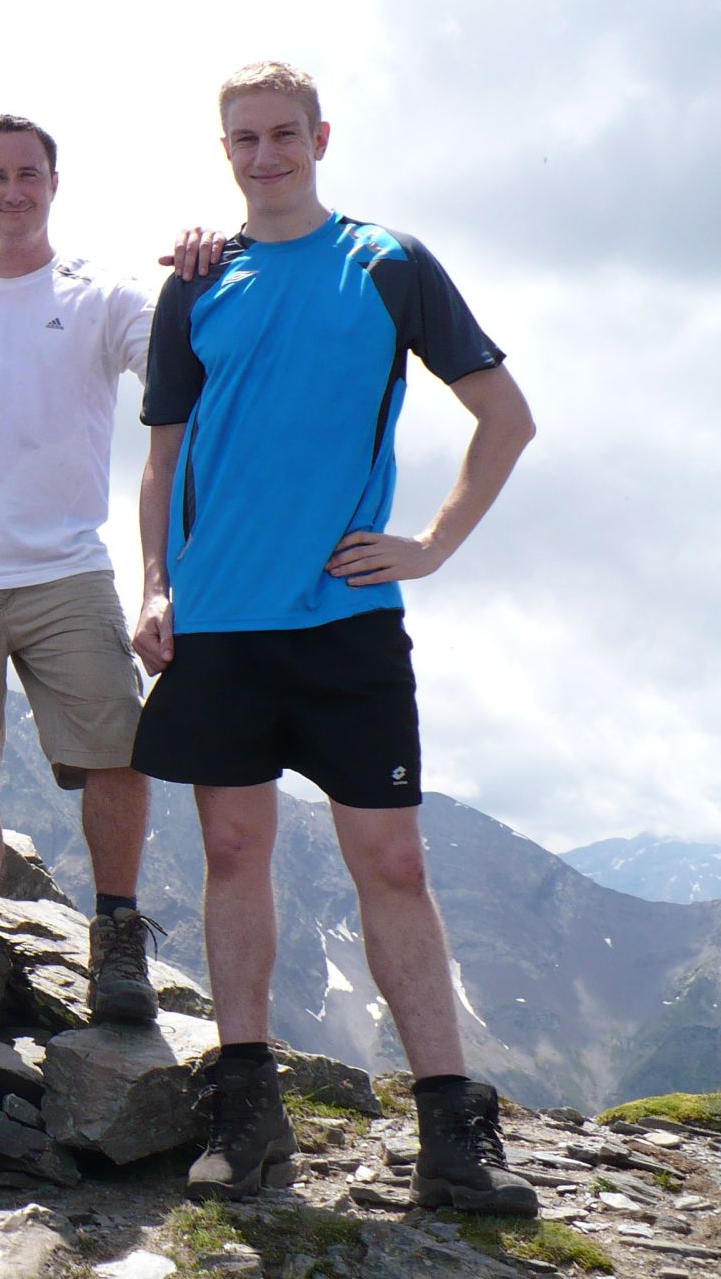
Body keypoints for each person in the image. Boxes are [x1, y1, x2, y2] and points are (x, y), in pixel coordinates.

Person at [132, 62, 538, 1213]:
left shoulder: (391, 265)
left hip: (348, 620)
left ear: (320, 135)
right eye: (242, 140)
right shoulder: (197, 284)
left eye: (281, 135)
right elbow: (161, 464)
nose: (264, 156)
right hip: (217, 621)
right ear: (225, 151)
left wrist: (434, 544)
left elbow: (505, 419)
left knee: (394, 861)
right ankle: (247, 1120)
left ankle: (456, 1139)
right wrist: (157, 586)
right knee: (229, 855)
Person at [0, 115, 183, 1031]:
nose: (12, 190)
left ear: (54, 183)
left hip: (66, 566)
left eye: (28, 173)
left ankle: (119, 940)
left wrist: (208, 267)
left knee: (116, 750)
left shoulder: (106, 294)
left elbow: (180, 371)